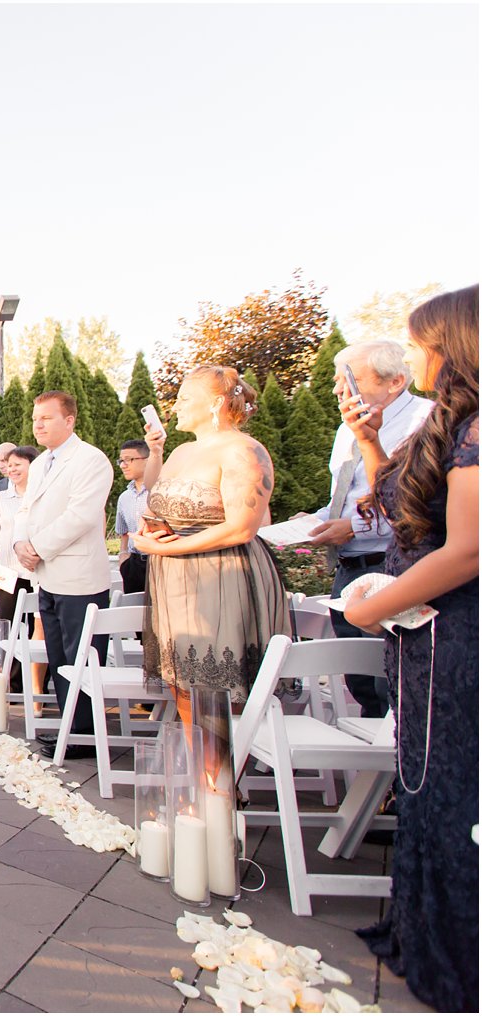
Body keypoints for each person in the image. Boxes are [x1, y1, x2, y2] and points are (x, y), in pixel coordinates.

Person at [339, 285, 477, 1013]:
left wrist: (374, 604)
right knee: (423, 771)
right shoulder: (452, 423)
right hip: (424, 631)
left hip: (454, 628)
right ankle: (425, 933)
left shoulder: (476, 428)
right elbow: (397, 502)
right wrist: (368, 441)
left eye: (423, 342)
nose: (417, 353)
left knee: (452, 779)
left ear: (454, 343)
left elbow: (466, 550)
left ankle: (458, 953)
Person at [132, 368, 290, 775]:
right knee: (181, 679)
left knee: (216, 683)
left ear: (217, 403)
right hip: (173, 577)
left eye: (185, 398)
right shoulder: (183, 452)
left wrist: (170, 547)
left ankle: (221, 787)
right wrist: (155, 528)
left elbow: (242, 527)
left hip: (221, 577)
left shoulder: (243, 450)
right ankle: (205, 786)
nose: (177, 405)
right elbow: (158, 498)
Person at [308, 340, 434, 717]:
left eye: (350, 378)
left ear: (394, 381)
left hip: (396, 568)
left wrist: (355, 528)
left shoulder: (426, 422)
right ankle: (371, 772)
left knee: (394, 687)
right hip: (348, 570)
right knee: (363, 684)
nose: (336, 389)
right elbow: (350, 495)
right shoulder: (347, 429)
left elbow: (417, 503)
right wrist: (314, 520)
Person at [13, 391, 114, 759]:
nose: (37, 424)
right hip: (46, 574)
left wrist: (37, 546)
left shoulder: (91, 460)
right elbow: (25, 510)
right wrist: (19, 543)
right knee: (57, 656)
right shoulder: (40, 464)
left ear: (69, 420)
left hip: (77, 575)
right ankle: (69, 723)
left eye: (46, 418)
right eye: (35, 418)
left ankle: (84, 731)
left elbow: (81, 516)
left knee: (80, 657)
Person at [0, 445, 41, 623]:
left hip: (38, 573)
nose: (12, 469)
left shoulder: (42, 497)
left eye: (18, 465)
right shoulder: (0, 499)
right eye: (10, 465)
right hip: (7, 574)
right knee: (8, 628)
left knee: (36, 629)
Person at [114, 438, 151, 595]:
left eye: (129, 460)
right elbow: (123, 532)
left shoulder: (158, 492)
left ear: (147, 460)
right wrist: (123, 557)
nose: (123, 465)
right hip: (133, 564)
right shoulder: (124, 497)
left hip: (157, 561)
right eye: (121, 461)